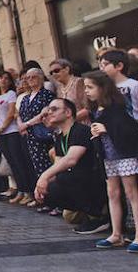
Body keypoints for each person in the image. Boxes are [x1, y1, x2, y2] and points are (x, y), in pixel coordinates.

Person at [34, 98, 109, 235]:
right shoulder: (60, 137)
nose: (49, 113)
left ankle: (99, 216)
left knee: (63, 180)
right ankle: (88, 212)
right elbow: (58, 166)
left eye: (54, 109)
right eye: (49, 109)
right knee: (63, 209)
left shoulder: (80, 130)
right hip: (79, 182)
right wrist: (40, 186)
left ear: (68, 112)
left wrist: (44, 177)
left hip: (94, 182)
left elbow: (71, 160)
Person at [84, 71, 138, 252]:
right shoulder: (95, 109)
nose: (87, 91)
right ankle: (116, 233)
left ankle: (137, 235)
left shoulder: (118, 105)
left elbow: (129, 128)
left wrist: (106, 128)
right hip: (107, 155)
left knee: (131, 193)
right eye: (85, 87)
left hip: (124, 154)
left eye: (90, 87)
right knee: (112, 193)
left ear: (102, 88)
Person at [0, 71, 35, 201]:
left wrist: (3, 127)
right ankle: (20, 191)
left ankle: (28, 192)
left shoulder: (11, 94)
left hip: (11, 132)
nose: (3, 80)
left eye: (6, 78)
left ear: (10, 82)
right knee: (12, 163)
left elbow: (11, 113)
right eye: (1, 78)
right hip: (0, 134)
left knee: (18, 161)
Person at [16, 68, 55, 206]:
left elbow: (45, 113)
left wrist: (26, 124)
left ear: (40, 77)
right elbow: (19, 114)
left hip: (43, 135)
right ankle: (43, 200)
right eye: (28, 78)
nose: (30, 80)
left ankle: (53, 201)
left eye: (33, 77)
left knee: (47, 167)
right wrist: (21, 125)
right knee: (36, 167)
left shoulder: (47, 94)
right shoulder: (26, 97)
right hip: (29, 136)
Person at [99, 49, 138, 121]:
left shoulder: (134, 85)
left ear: (119, 66)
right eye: (101, 65)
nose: (102, 69)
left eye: (106, 64)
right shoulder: (105, 88)